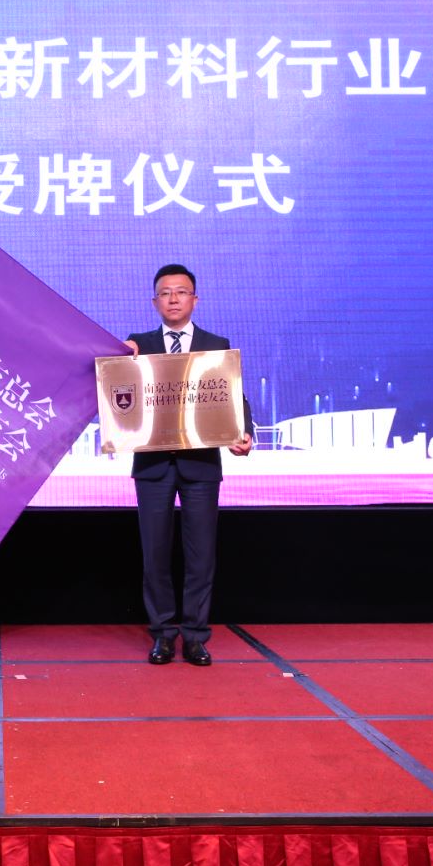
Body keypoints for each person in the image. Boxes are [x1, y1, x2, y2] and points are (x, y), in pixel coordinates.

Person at [124, 263, 253, 667]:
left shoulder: (216, 344)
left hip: (201, 465)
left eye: (181, 292)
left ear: (195, 299)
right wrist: (118, 356)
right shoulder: (137, 345)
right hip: (153, 466)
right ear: (155, 302)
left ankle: (196, 637)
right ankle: (162, 635)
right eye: (165, 293)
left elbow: (233, 395)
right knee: (155, 556)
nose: (174, 299)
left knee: (201, 557)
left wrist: (244, 431)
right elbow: (117, 390)